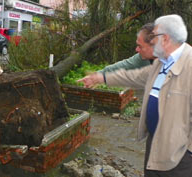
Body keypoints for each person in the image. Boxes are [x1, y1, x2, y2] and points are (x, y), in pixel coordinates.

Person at [79, 14, 192, 177]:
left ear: (165, 39)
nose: (151, 42)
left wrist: (188, 150)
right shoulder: (162, 62)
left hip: (180, 155)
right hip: (155, 143)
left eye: (154, 37)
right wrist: (101, 77)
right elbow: (132, 74)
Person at [80, 23, 156, 89]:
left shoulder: (164, 67)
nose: (136, 49)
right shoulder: (142, 58)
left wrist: (101, 78)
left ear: (154, 46)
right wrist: (98, 76)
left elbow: (131, 77)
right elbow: (124, 66)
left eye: (140, 46)